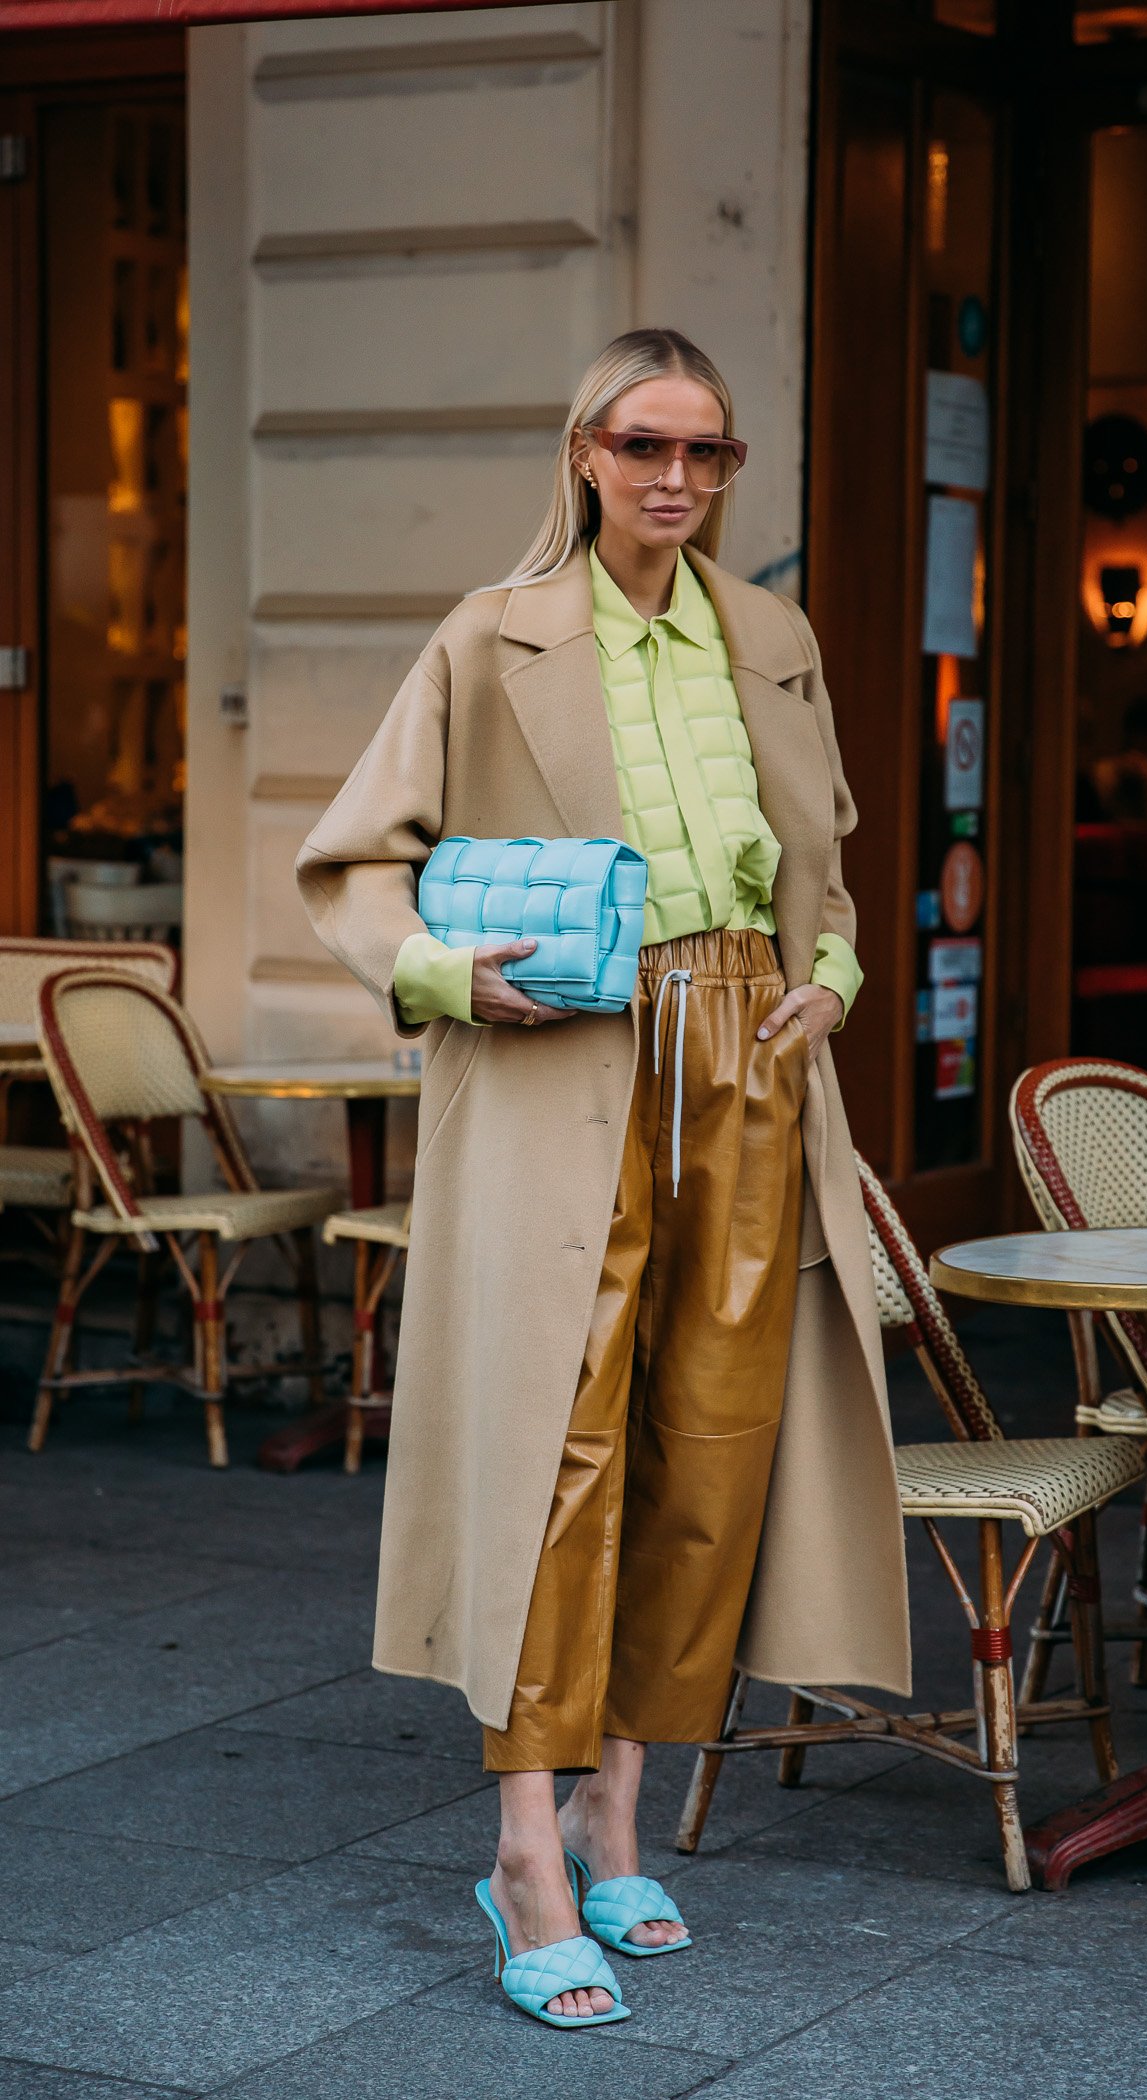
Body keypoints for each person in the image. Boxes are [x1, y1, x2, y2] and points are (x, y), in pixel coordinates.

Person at [296, 327, 911, 2029]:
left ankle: (616, 1813)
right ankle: (523, 1854)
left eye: (710, 455)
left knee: (705, 1450)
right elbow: (355, 859)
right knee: (560, 1451)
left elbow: (832, 879)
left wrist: (834, 984)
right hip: (569, 1046)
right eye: (650, 445)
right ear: (585, 448)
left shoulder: (771, 638)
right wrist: (436, 976)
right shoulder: (490, 640)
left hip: (745, 1056)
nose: (680, 481)